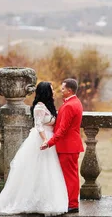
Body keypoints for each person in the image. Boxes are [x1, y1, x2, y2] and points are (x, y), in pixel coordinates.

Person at [0, 81, 68, 216]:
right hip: (41, 140)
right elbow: (39, 126)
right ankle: (29, 200)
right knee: (36, 170)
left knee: (48, 171)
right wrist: (45, 141)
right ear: (46, 92)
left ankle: (44, 199)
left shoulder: (48, 106)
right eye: (51, 90)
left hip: (49, 139)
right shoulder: (39, 108)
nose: (53, 92)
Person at [41, 78, 84, 213]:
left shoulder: (69, 106)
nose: (61, 91)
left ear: (70, 90)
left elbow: (62, 130)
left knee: (69, 177)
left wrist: (49, 142)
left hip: (67, 147)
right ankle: (71, 202)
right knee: (72, 176)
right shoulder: (75, 102)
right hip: (71, 146)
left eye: (63, 89)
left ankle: (72, 204)